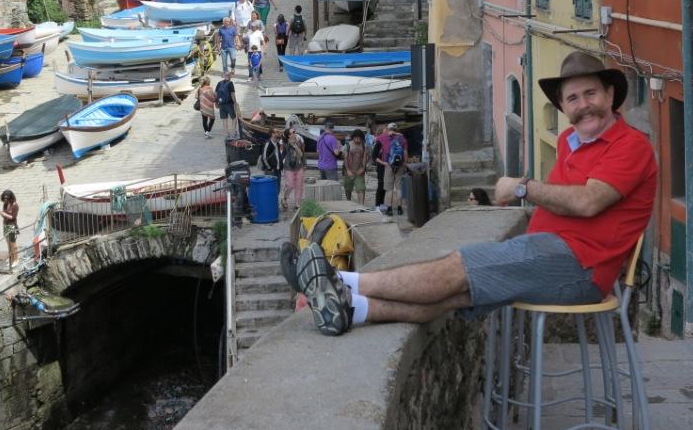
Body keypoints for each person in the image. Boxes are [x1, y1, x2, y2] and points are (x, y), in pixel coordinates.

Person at [281, 51, 658, 337]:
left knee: (456, 267)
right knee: (453, 296)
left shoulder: (630, 146)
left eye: (590, 93)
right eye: (572, 98)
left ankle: (339, 280)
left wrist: (523, 186)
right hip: (552, 253)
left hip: (580, 267)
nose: (582, 105)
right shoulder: (570, 141)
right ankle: (351, 310)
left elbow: (589, 202)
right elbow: (568, 198)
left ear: (610, 95)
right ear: (563, 107)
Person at [376, 123, 408, 216]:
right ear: (396, 129)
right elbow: (405, 152)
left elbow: (375, 140)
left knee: (389, 189)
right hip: (400, 165)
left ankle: (389, 209)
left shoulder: (383, 137)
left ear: (388, 129)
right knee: (399, 188)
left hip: (389, 165)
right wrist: (404, 164)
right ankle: (399, 208)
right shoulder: (402, 139)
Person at [280, 129, 306, 210]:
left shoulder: (299, 141)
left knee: (299, 185)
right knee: (290, 185)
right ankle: (284, 197)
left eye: (295, 132)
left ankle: (297, 203)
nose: (295, 133)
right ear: (288, 135)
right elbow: (282, 154)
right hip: (289, 167)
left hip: (299, 166)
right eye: (293, 132)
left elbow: (302, 154)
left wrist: (304, 164)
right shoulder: (285, 144)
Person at [342, 129, 368, 205]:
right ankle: (348, 203)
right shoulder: (347, 145)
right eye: (356, 137)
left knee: (361, 189)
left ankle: (361, 206)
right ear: (353, 137)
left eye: (359, 138)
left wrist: (363, 168)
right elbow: (345, 158)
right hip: (349, 170)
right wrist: (348, 170)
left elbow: (364, 157)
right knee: (348, 188)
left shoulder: (364, 145)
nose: (358, 139)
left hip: (359, 171)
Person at [215, 70, 239, 138]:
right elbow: (232, 95)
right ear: (230, 76)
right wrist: (235, 103)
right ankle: (233, 132)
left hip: (221, 104)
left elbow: (216, 94)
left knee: (224, 119)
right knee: (234, 118)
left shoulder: (219, 83)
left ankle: (226, 134)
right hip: (229, 104)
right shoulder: (230, 83)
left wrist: (216, 102)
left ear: (223, 76)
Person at [0, 189, 19, 265]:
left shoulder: (15, 205)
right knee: (8, 243)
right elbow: (5, 214)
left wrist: (4, 214)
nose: (5, 200)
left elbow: (13, 217)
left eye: (7, 198)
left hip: (12, 225)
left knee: (13, 243)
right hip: (6, 224)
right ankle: (11, 258)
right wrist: (2, 214)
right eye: (4, 198)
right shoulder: (5, 204)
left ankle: (16, 259)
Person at [371, 124, 387, 209]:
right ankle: (377, 204)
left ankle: (382, 203)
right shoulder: (378, 141)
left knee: (385, 185)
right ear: (381, 131)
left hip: (385, 165)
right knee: (381, 185)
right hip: (381, 166)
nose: (387, 131)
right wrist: (382, 163)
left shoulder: (386, 140)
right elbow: (374, 156)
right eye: (385, 130)